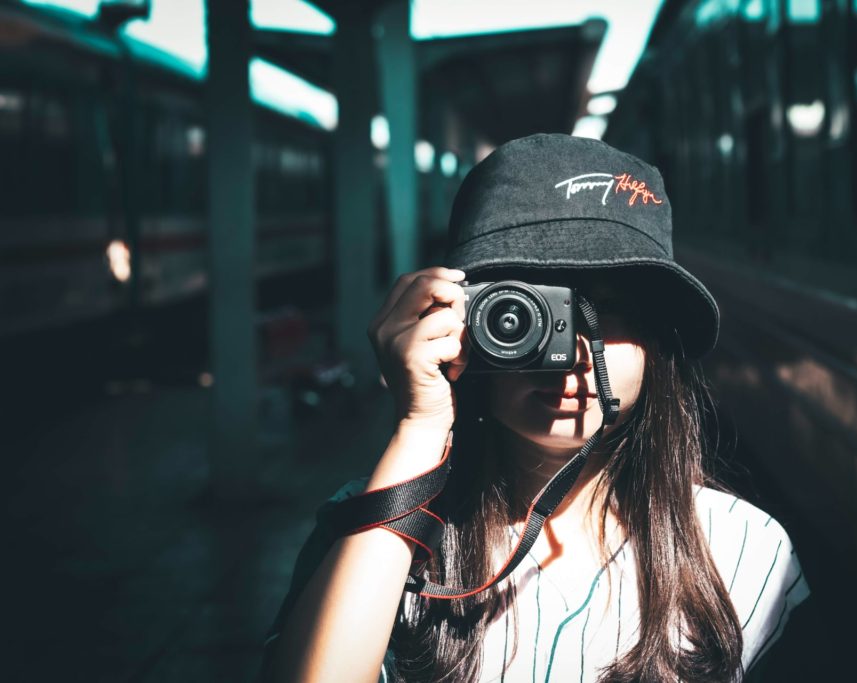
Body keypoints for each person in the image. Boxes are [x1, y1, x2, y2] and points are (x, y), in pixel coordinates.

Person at [260, 134, 810, 682]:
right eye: (522, 313)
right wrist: (418, 426)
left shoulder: (746, 550)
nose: (569, 353)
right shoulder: (375, 534)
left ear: (657, 341)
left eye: (609, 309)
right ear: (459, 323)